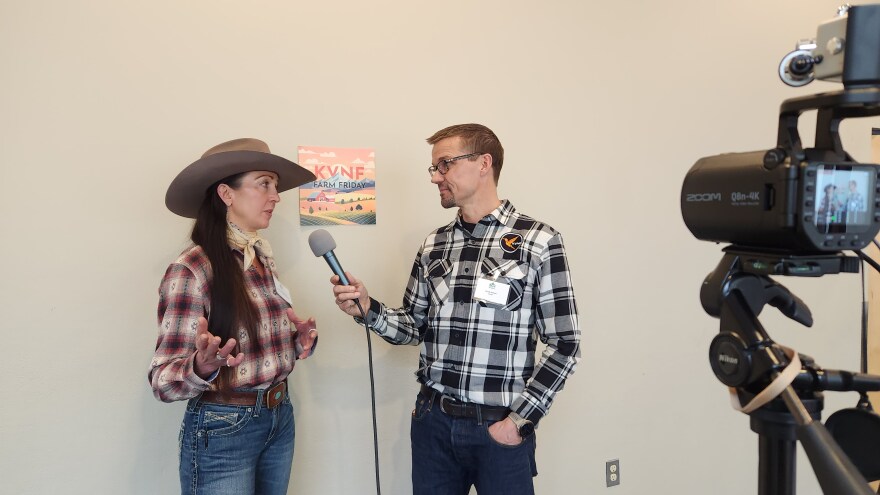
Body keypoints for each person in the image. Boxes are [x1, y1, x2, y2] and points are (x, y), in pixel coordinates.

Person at [329, 124, 581, 494]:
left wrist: (519, 422)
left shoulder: (538, 242)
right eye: (433, 168)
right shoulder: (434, 245)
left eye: (444, 165)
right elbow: (414, 326)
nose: (435, 177)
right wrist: (368, 308)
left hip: (499, 430)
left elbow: (565, 344)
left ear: (484, 163)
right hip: (433, 425)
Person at [149, 138, 319, 495]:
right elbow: (162, 381)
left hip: (278, 416)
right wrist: (202, 365)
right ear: (226, 194)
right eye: (264, 184)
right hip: (223, 427)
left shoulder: (259, 258)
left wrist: (295, 341)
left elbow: (247, 342)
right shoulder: (192, 269)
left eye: (275, 185)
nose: (276, 196)